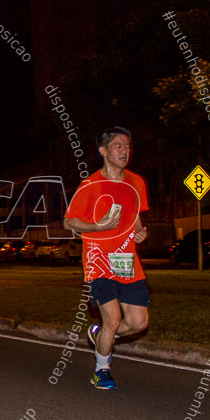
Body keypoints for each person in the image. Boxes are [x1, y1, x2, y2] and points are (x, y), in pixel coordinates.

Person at [63, 127, 149, 390]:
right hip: (99, 260)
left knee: (138, 323)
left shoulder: (136, 181)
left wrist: (139, 231)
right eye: (118, 146)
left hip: (126, 260)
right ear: (103, 151)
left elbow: (134, 212)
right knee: (112, 319)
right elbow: (69, 222)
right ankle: (102, 370)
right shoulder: (90, 185)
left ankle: (101, 335)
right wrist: (97, 227)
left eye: (127, 146)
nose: (125, 151)